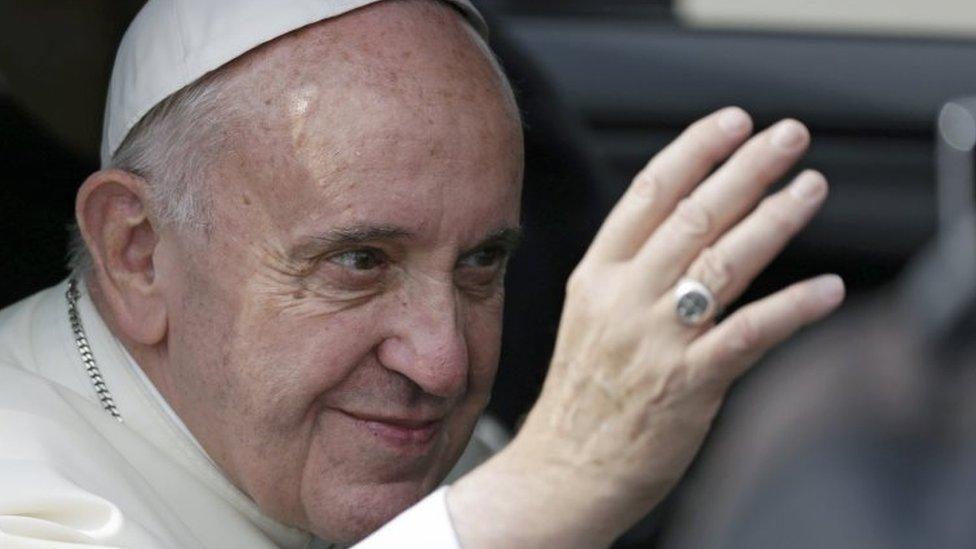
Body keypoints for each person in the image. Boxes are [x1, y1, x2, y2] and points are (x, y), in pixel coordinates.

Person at [0, 0, 846, 547]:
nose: (442, 365)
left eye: (482, 262)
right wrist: (548, 489)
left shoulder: (424, 447)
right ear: (138, 253)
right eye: (360, 262)